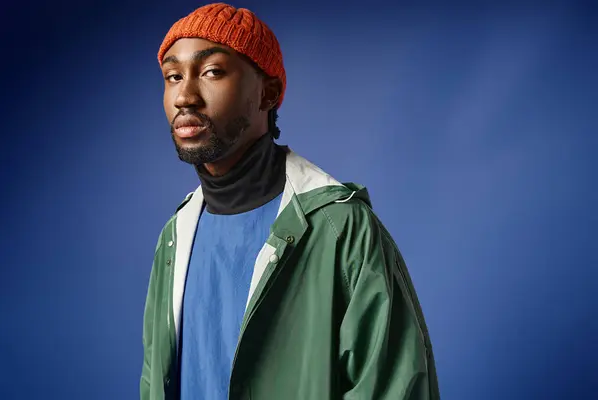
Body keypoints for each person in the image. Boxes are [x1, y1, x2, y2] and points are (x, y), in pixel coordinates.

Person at [140, 3, 440, 400]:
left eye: (211, 71)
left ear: (270, 92)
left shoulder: (340, 228)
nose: (185, 96)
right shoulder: (174, 238)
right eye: (173, 76)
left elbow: (395, 388)